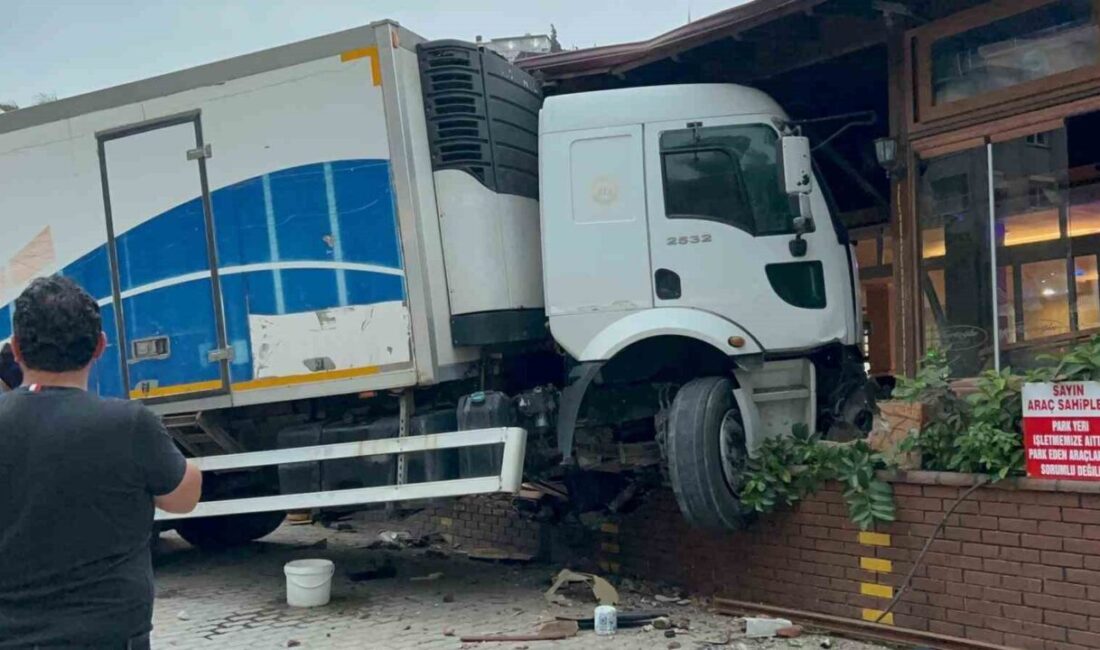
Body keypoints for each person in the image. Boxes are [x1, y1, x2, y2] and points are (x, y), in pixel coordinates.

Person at [0, 276, 202, 649]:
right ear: (100, 346)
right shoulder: (128, 424)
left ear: (15, 350)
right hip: (109, 637)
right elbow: (183, 499)